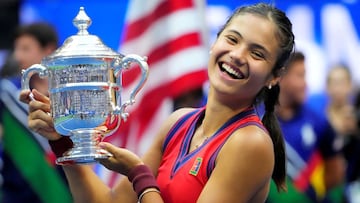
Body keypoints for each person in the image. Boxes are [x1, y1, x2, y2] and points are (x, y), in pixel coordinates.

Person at [20, 3, 295, 203]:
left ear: (273, 76)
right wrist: (62, 142)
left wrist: (138, 175)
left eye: (257, 53)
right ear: (215, 43)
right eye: (232, 39)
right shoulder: (179, 122)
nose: (237, 55)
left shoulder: (250, 143)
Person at [0, 22, 72, 203]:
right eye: (16, 48)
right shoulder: (6, 95)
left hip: (67, 187)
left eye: (25, 49)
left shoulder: (70, 95)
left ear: (48, 50)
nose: (18, 56)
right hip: (17, 193)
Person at [267, 52, 345, 203]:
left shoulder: (318, 120)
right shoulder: (258, 119)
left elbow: (335, 172)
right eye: (300, 75)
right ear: (282, 78)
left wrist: (312, 194)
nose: (305, 84)